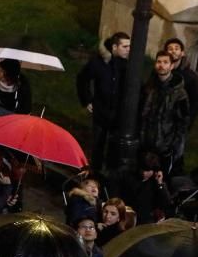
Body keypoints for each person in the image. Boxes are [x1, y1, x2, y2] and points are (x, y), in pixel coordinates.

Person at [76, 32, 129, 170]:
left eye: (129, 46)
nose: (128, 49)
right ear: (114, 47)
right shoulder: (99, 63)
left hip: (118, 113)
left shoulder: (125, 65)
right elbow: (83, 79)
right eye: (125, 46)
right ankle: (95, 173)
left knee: (113, 147)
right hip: (101, 111)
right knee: (98, 145)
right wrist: (87, 100)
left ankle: (108, 174)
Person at [138, 50, 190, 175]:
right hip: (146, 143)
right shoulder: (149, 88)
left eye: (165, 62)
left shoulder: (180, 94)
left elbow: (183, 123)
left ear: (171, 66)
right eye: (159, 62)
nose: (161, 65)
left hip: (165, 148)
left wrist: (173, 147)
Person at [163, 37, 198, 126]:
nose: (173, 51)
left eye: (176, 48)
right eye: (170, 49)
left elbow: (194, 103)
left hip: (177, 122)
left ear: (182, 53)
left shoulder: (191, 77)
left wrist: (187, 124)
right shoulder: (160, 71)